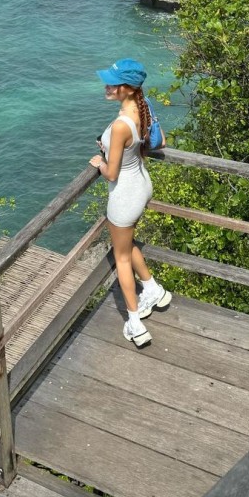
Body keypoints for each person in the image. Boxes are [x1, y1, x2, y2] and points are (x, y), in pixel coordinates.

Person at [89, 58, 171, 348]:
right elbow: (140, 147)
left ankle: (135, 323)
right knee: (128, 243)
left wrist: (101, 161)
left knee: (120, 257)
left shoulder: (122, 123)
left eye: (113, 83)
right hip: (141, 184)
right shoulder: (142, 107)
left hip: (124, 195)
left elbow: (111, 172)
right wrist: (111, 147)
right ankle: (152, 289)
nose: (107, 86)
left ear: (127, 87)